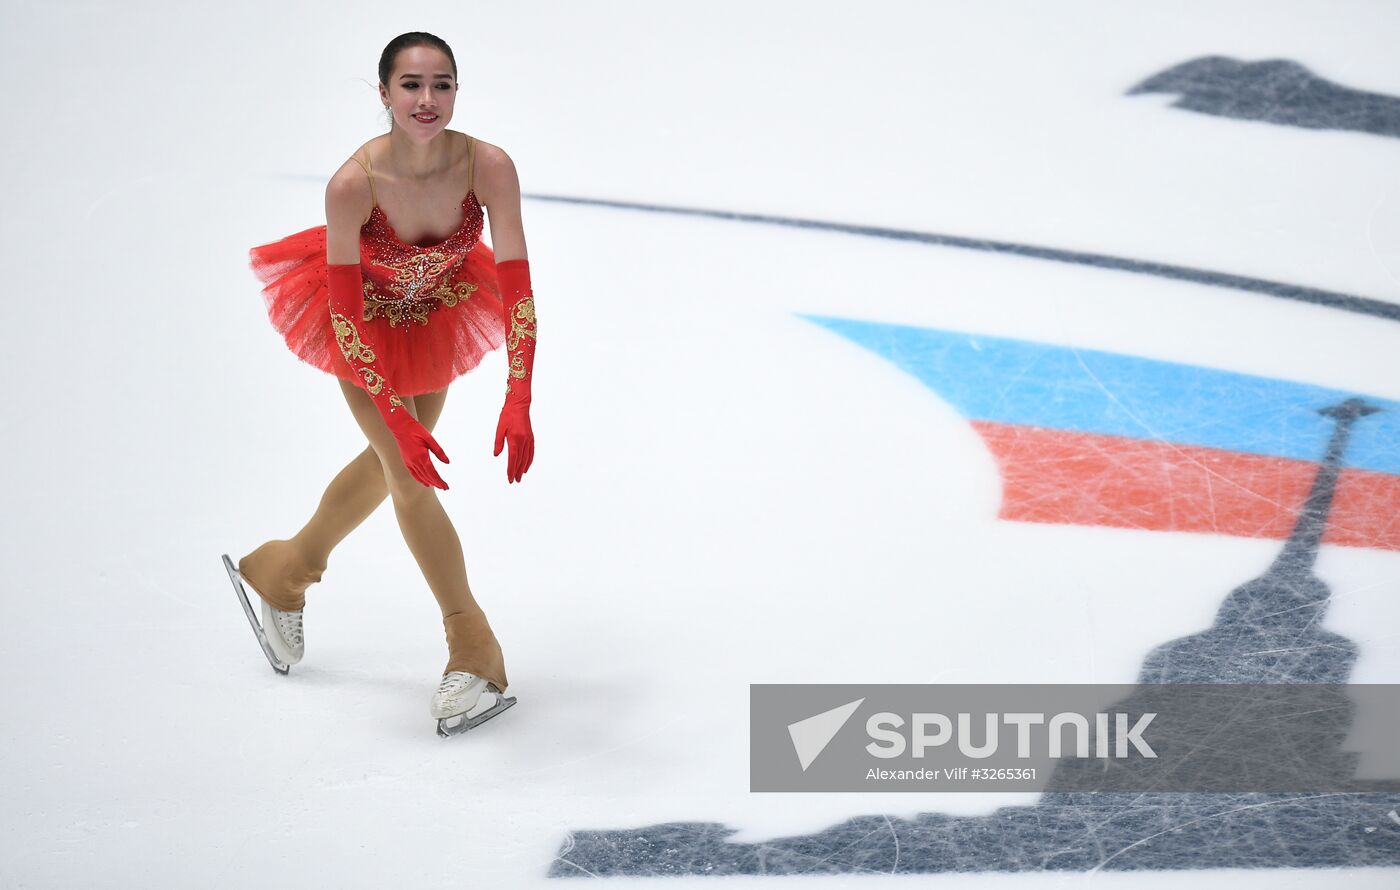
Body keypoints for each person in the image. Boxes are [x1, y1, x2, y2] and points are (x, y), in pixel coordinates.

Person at [229, 31, 536, 729]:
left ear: (456, 91)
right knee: (406, 472)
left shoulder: (488, 166)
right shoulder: (353, 185)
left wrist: (519, 395)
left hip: (436, 314)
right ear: (384, 93)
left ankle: (285, 572)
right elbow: (342, 315)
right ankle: (473, 645)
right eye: (411, 85)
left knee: (391, 464)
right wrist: (394, 413)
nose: (427, 100)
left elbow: (518, 288)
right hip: (360, 325)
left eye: (442, 85)